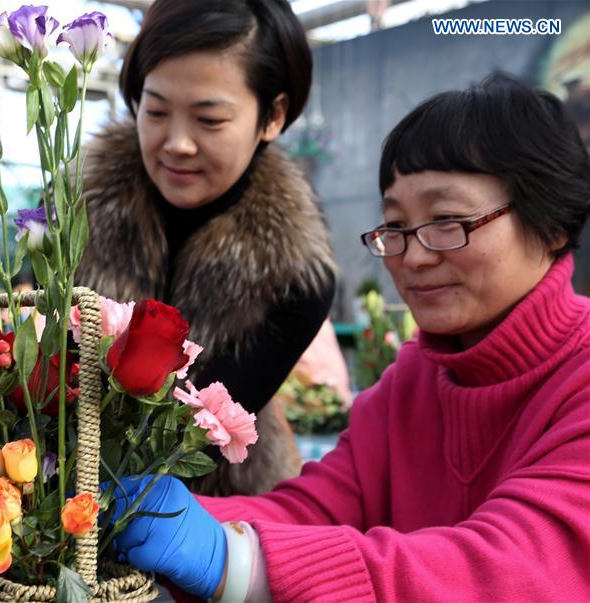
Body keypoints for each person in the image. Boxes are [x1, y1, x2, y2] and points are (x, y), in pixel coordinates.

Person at [106, 73, 590, 602]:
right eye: (396, 227)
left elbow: (520, 568)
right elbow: (319, 507)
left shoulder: (579, 378)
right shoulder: (412, 382)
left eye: (448, 221)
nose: (414, 256)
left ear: (552, 224)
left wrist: (236, 559)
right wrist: (151, 515)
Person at [77, 0, 337, 496]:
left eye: (209, 119)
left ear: (273, 116)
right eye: (156, 111)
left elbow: (192, 443)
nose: (177, 143)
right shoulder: (75, 212)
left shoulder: (295, 274)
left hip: (219, 515)